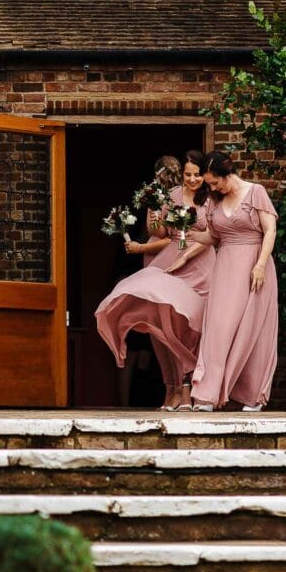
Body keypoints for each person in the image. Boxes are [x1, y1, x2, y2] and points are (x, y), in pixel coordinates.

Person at [96, 151, 215, 410]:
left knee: (193, 328)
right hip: (173, 262)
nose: (192, 179)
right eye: (188, 174)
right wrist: (153, 206)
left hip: (202, 266)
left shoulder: (210, 199)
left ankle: (191, 389)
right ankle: (172, 388)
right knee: (165, 326)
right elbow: (158, 233)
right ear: (182, 174)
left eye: (197, 175)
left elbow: (213, 234)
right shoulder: (172, 196)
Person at [177, 151, 278, 412]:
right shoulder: (214, 200)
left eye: (214, 182)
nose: (211, 187)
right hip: (225, 268)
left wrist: (260, 265)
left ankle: (252, 396)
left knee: (253, 329)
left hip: (255, 266)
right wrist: (191, 235)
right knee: (218, 329)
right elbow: (214, 237)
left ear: (227, 174)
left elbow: (270, 231)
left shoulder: (256, 192)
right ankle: (208, 395)